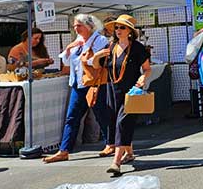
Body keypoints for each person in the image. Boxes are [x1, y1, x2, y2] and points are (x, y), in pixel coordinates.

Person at [43, 15, 111, 164]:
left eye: (79, 25)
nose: (76, 28)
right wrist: (69, 48)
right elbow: (67, 62)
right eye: (74, 26)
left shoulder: (100, 40)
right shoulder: (78, 41)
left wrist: (86, 55)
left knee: (101, 114)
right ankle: (64, 150)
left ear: (89, 26)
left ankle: (110, 144)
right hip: (77, 84)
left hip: (94, 83)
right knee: (72, 117)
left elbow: (98, 62)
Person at [95, 15, 152, 177]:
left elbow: (147, 69)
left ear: (130, 31)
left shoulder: (137, 48)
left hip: (131, 91)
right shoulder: (111, 46)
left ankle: (116, 162)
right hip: (112, 90)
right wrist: (96, 56)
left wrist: (143, 78)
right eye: (116, 27)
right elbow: (96, 66)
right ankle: (130, 153)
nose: (118, 30)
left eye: (122, 27)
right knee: (115, 122)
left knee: (122, 123)